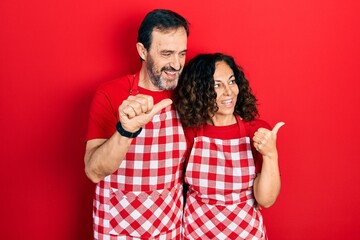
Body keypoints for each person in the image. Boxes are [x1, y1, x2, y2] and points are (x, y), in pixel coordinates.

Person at [84, 9, 189, 239]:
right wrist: (126, 130)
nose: (176, 64)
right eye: (167, 53)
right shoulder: (110, 93)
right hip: (117, 229)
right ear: (143, 50)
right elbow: (93, 171)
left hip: (167, 230)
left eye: (182, 53)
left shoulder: (187, 97)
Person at [174, 53, 284, 239]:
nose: (229, 91)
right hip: (197, 234)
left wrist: (270, 155)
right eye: (217, 85)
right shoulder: (189, 132)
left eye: (232, 81)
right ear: (199, 90)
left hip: (246, 234)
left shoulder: (256, 131)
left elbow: (266, 199)